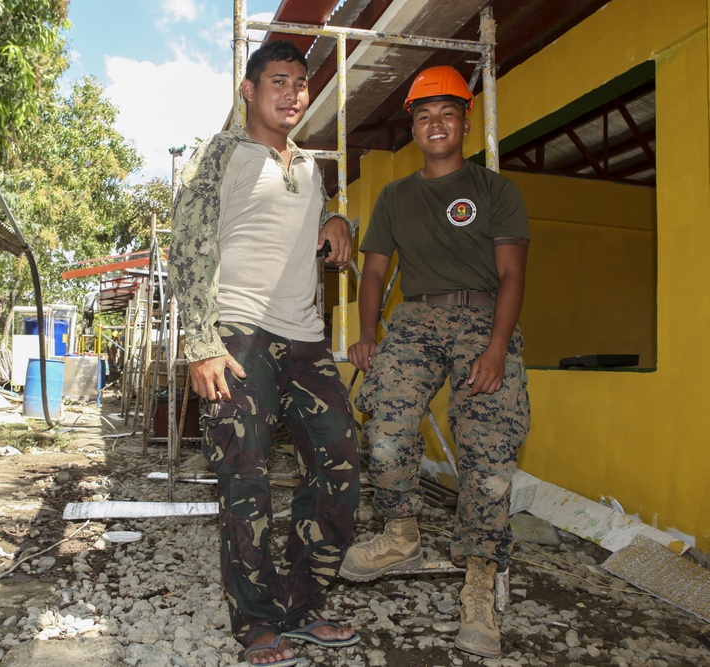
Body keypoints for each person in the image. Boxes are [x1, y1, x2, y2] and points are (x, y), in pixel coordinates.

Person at [168, 40, 362, 667]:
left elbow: (308, 222)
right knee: (245, 476)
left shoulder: (309, 166)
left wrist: (338, 220)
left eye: (301, 84)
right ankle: (255, 618)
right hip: (236, 335)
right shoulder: (217, 153)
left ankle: (303, 606)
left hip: (304, 336)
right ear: (249, 91)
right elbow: (189, 249)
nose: (293, 94)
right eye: (278, 81)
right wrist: (198, 346)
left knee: (339, 463)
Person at [338, 65, 531, 659]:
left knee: (488, 447)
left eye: (447, 113)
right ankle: (402, 535)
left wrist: (497, 348)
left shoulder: (495, 190)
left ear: (465, 122)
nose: (435, 124)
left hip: (482, 320)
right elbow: (373, 271)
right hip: (416, 320)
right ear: (414, 129)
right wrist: (367, 334)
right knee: (388, 428)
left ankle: (478, 578)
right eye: (423, 116)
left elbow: (511, 273)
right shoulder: (397, 195)